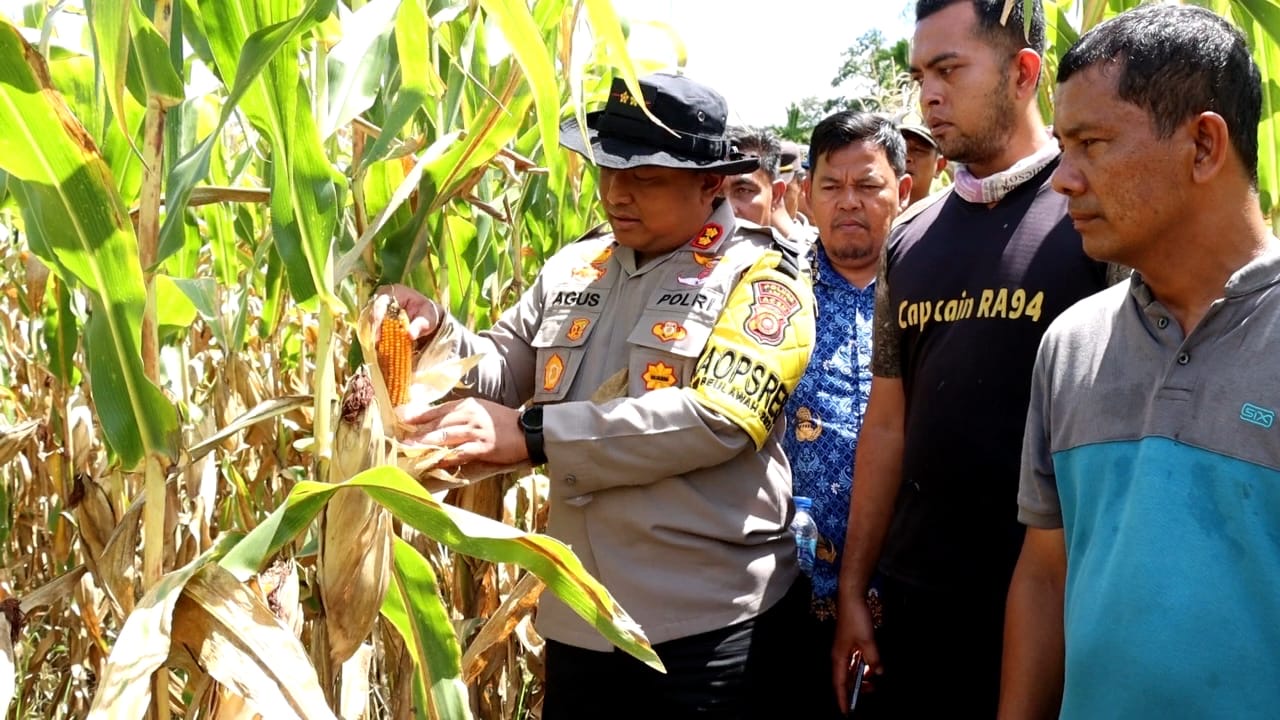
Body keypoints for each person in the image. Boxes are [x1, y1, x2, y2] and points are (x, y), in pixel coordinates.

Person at [377, 73, 815, 719]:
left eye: (644, 175)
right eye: (607, 168)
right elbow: (503, 368)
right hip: (581, 621)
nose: (616, 191)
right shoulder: (576, 265)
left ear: (709, 183)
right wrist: (432, 333)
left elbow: (720, 419)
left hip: (710, 631)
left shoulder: (762, 277)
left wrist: (533, 436)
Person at [830, 0, 1113, 716]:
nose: (928, 94)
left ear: (1023, 73)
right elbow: (887, 424)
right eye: (922, 73)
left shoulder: (1096, 221)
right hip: (918, 610)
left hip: (1054, 614)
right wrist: (855, 589)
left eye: (950, 70)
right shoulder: (911, 238)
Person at [1003, 6, 1279, 719]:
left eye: (1092, 143)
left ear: (1203, 146)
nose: (1063, 179)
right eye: (1062, 146)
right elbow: (1045, 572)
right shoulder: (1070, 346)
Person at [782, 111, 911, 718]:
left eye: (868, 185)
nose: (848, 203)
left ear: (905, 191)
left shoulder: (931, 289)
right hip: (788, 594)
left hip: (910, 592)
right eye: (831, 187)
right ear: (807, 193)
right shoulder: (772, 291)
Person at [896, 111, 948, 205]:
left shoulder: (948, 217)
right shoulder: (866, 214)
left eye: (918, 150)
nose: (907, 158)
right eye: (899, 148)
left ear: (939, 166)